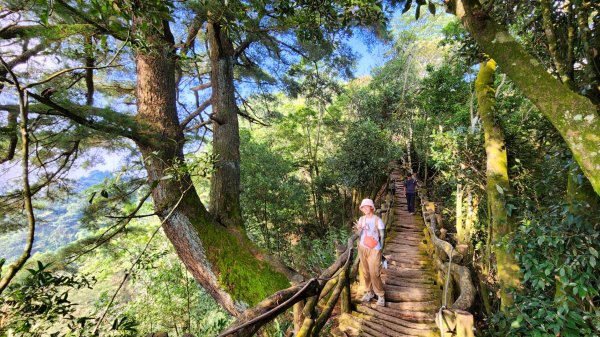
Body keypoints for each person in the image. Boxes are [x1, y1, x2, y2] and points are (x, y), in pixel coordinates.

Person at [354, 198, 386, 306]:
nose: (365, 208)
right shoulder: (361, 219)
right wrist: (358, 229)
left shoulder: (378, 220)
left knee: (374, 272)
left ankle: (380, 295)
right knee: (366, 272)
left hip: (374, 249)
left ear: (371, 207)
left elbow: (382, 236)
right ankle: (369, 292)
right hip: (362, 248)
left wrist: (380, 249)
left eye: (367, 206)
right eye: (363, 207)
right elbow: (359, 234)